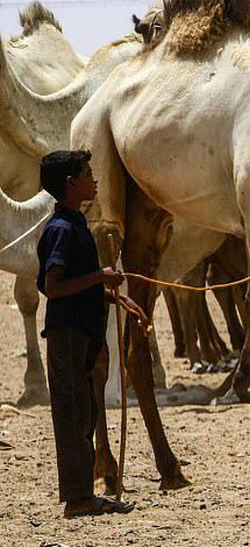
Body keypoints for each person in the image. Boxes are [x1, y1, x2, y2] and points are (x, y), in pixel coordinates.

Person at [37, 150, 146, 518]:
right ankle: (78, 498)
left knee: (84, 413)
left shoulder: (75, 225)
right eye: (86, 173)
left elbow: (70, 285)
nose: (94, 179)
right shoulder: (62, 230)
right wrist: (101, 277)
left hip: (82, 332)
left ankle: (83, 494)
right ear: (70, 184)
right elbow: (53, 287)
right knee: (72, 415)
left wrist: (115, 299)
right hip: (68, 335)